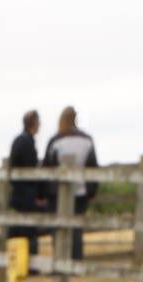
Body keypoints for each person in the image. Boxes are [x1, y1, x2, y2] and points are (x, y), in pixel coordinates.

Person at [42, 107, 99, 261]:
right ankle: (76, 261)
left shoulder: (56, 140)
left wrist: (44, 193)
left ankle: (60, 259)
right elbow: (92, 167)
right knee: (76, 229)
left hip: (58, 193)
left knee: (59, 228)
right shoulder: (87, 140)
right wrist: (91, 191)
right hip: (80, 192)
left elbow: (47, 168)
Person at [8, 110, 46, 255]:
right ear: (34, 123)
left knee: (20, 229)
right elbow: (32, 170)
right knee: (28, 231)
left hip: (19, 194)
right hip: (26, 195)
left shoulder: (20, 140)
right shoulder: (26, 141)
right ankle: (29, 263)